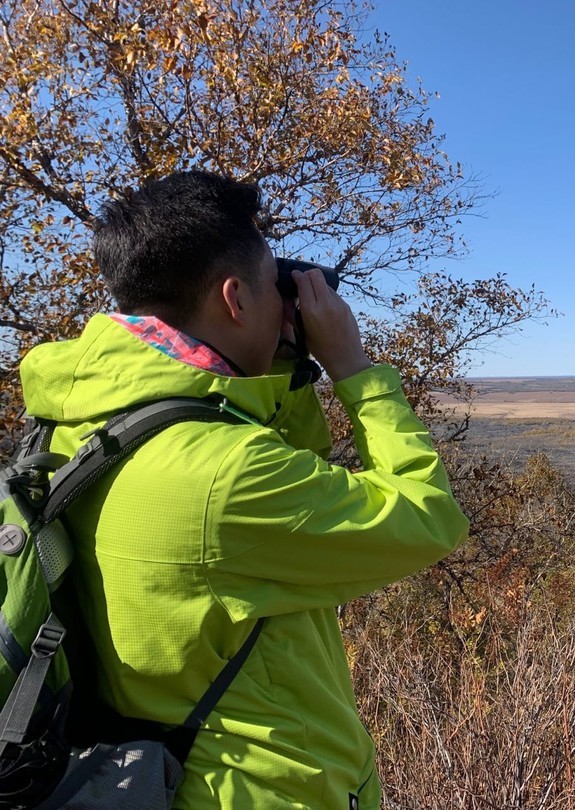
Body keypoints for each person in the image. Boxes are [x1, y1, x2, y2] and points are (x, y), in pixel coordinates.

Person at [17, 170, 470, 808]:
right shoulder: (226, 476)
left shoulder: (76, 420)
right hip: (260, 789)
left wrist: (280, 363)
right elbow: (428, 518)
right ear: (234, 299)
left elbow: (285, 469)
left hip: (143, 764)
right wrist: (354, 369)